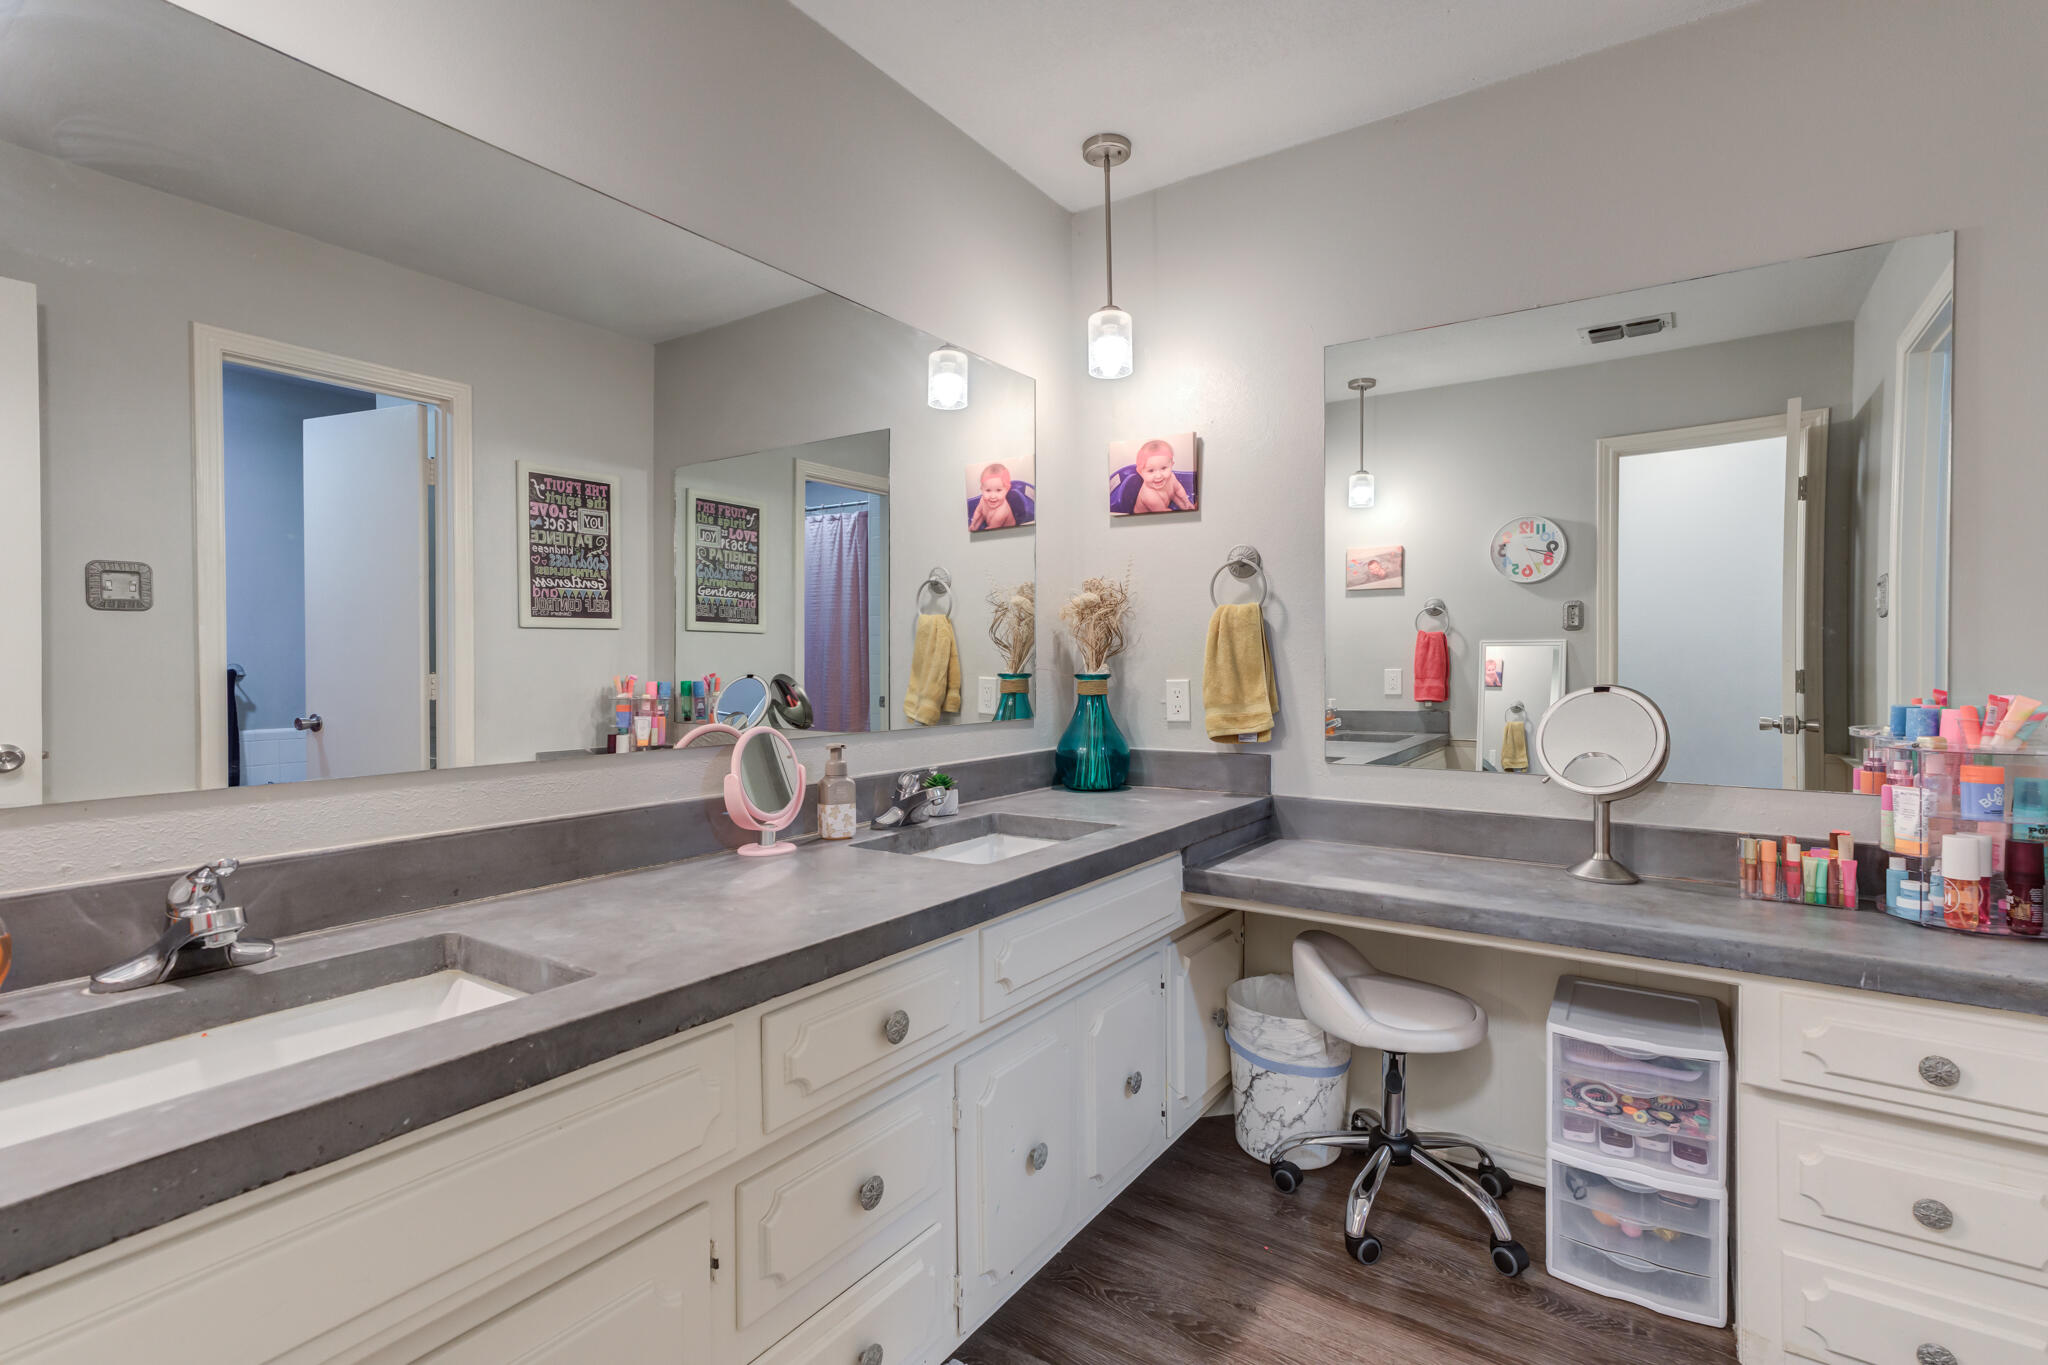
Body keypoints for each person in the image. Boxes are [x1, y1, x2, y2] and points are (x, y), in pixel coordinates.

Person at [1129, 439, 1195, 514]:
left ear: (1171, 464)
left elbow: (1177, 489)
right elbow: (1164, 514)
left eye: (1163, 468)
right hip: (1147, 518)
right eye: (1151, 470)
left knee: (1184, 504)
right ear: (1140, 472)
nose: (1158, 476)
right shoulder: (1150, 496)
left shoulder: (1171, 477)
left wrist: (1186, 502)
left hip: (1165, 503)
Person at [971, 462, 1017, 530]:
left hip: (1003, 530)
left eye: (998, 490)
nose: (992, 496)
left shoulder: (1001, 512)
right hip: (989, 520)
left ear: (1007, 490)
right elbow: (978, 512)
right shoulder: (983, 499)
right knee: (979, 518)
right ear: (982, 489)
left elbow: (991, 529)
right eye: (988, 490)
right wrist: (973, 523)